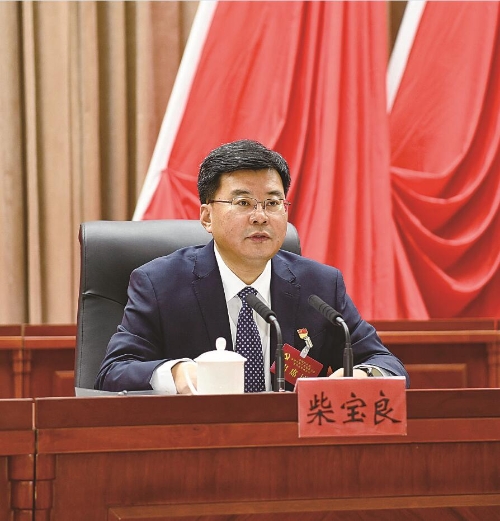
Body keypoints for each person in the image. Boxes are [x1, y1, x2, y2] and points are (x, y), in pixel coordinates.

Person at [95, 139, 409, 393]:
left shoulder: (320, 286)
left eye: (273, 203)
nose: (260, 216)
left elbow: (386, 364)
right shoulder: (160, 283)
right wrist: (177, 374)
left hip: (292, 442)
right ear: (207, 217)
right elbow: (112, 373)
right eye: (243, 203)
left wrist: (363, 376)